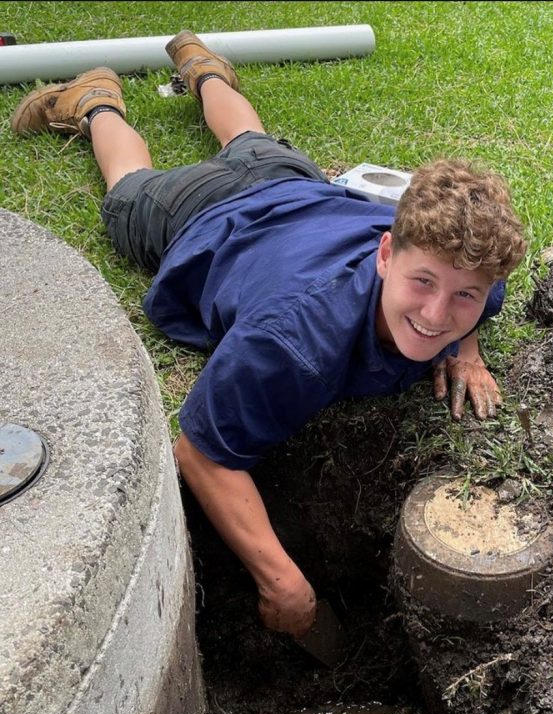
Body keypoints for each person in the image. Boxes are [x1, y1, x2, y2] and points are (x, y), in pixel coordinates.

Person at [11, 31, 527, 638]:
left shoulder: (475, 280)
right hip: (202, 215)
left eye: (463, 296)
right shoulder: (293, 343)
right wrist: (281, 579)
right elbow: (200, 453)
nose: (439, 314)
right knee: (129, 184)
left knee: (250, 142)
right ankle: (95, 101)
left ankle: (203, 70)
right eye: (423, 283)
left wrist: (466, 352)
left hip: (293, 183)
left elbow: (474, 305)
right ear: (386, 252)